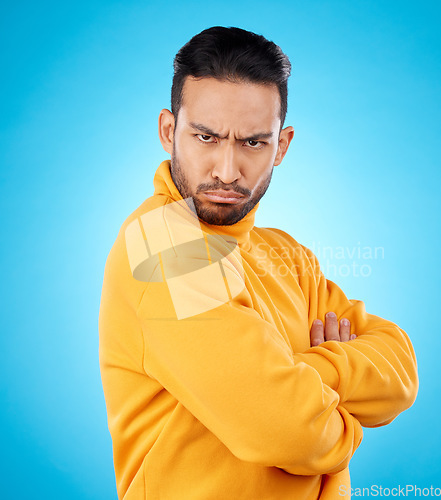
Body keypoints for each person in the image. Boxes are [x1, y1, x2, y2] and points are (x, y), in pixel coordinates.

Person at [99, 26, 418, 499]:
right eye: (206, 137)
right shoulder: (163, 245)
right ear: (169, 131)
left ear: (282, 146)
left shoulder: (286, 254)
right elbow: (288, 430)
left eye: (252, 143)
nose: (227, 170)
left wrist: (310, 373)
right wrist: (346, 418)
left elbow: (400, 368)